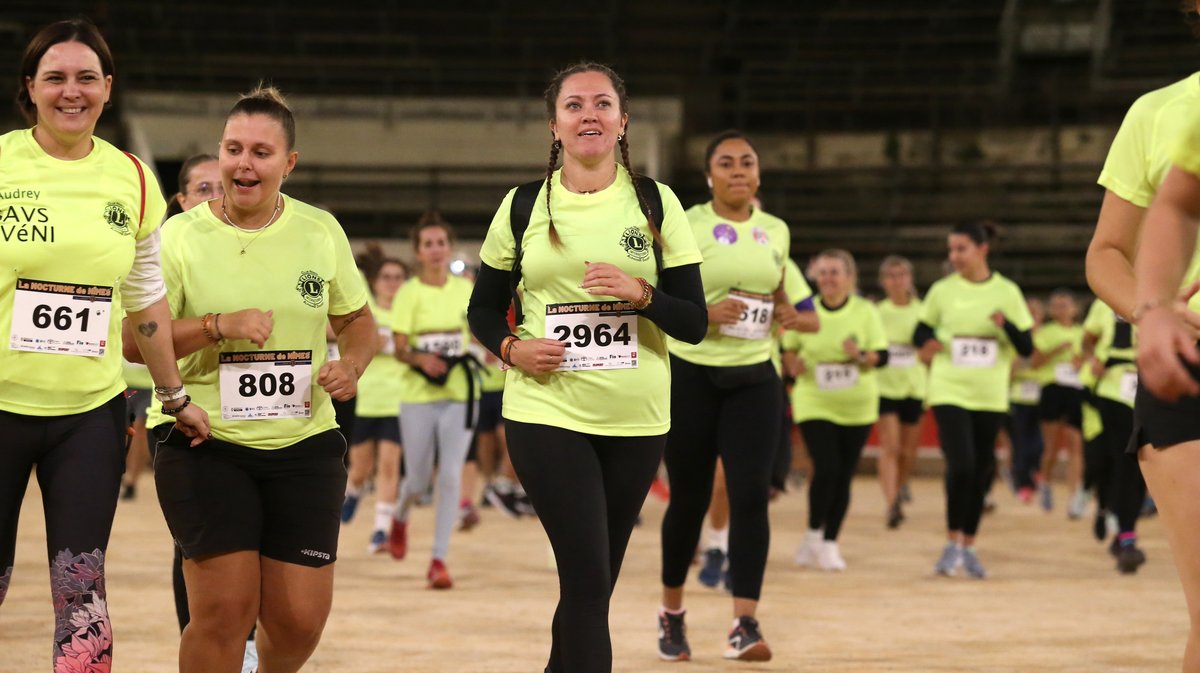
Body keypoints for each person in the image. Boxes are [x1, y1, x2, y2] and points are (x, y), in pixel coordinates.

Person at [467, 62, 706, 673]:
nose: (589, 115)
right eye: (574, 106)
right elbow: (484, 308)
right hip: (545, 410)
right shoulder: (523, 206)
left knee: (590, 588)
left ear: (623, 122)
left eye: (602, 104)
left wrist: (641, 294)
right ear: (555, 125)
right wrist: (511, 348)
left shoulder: (657, 202)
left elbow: (695, 323)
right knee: (586, 577)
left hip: (636, 419)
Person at [133, 85, 375, 673]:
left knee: (298, 624)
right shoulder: (179, 238)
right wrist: (218, 326)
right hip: (205, 440)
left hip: (305, 443)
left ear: (288, 164)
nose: (244, 163)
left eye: (261, 152)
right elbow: (133, 339)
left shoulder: (320, 231)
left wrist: (352, 365)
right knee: (223, 609)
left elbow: (357, 320)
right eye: (232, 148)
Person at [0, 18, 210, 671]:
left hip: (88, 415)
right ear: (30, 87)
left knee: (81, 589)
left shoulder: (135, 179)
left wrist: (173, 393)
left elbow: (144, 297)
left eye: (86, 77)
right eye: (56, 77)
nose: (72, 91)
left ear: (108, 88)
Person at [657, 129, 817, 663]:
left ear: (759, 174)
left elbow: (779, 295)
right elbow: (663, 298)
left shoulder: (778, 230)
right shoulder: (687, 225)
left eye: (747, 162)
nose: (738, 171)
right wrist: (707, 314)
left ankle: (743, 623)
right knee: (690, 499)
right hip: (693, 376)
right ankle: (672, 614)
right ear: (709, 176)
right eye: (725, 163)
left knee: (751, 498)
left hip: (755, 377)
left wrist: (789, 313)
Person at [914, 221, 1033, 579]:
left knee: (982, 470)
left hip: (990, 393)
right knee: (961, 465)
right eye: (951, 250)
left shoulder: (1007, 292)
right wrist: (928, 342)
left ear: (983, 249)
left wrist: (1005, 325)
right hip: (949, 387)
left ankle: (969, 544)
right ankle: (951, 544)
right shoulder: (941, 290)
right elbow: (921, 328)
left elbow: (1026, 346)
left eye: (961, 249)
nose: (954, 256)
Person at [386, 212, 479, 589]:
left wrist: (487, 350)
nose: (437, 250)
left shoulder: (465, 288)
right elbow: (399, 348)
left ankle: (438, 559)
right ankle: (401, 513)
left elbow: (477, 332)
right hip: (418, 396)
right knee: (419, 479)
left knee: (452, 475)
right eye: (429, 244)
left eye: (441, 242)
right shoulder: (409, 293)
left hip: (459, 395)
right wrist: (422, 358)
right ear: (417, 252)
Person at [785, 250, 887, 571]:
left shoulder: (866, 311)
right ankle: (815, 533)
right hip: (814, 398)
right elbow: (788, 349)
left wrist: (859, 355)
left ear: (849, 277)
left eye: (835, 272)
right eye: (824, 272)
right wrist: (792, 364)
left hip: (857, 402)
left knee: (844, 474)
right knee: (826, 466)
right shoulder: (806, 309)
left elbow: (881, 356)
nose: (829, 278)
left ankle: (829, 541)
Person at [342, 246, 407, 555]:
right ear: (376, 281)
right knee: (359, 469)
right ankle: (353, 491)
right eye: (386, 277)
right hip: (369, 400)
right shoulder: (368, 314)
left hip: (401, 400)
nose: (392, 283)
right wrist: (368, 342)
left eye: (398, 278)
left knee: (389, 466)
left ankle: (381, 530)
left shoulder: (411, 312)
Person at [1080, 297, 1148, 571]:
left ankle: (1114, 517)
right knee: (1125, 461)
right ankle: (1126, 536)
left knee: (1139, 463)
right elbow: (1087, 339)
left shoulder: (1166, 289)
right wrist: (1091, 359)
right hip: (1112, 386)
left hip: (1150, 383)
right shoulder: (1104, 300)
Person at [874, 255, 926, 528]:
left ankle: (902, 483)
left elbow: (931, 346)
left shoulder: (924, 310)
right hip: (883, 386)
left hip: (915, 387)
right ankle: (891, 503)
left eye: (901, 274)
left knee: (907, 451)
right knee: (890, 447)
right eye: (891, 275)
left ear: (910, 279)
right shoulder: (876, 312)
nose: (897, 280)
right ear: (883, 282)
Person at [1028, 289, 1087, 516]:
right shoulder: (1045, 332)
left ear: (1074, 309)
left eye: (1065, 305)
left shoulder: (1083, 333)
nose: (1061, 309)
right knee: (1051, 447)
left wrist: (1081, 361)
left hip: (1075, 388)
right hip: (1052, 388)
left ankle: (1074, 496)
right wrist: (1056, 351)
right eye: (1056, 305)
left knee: (1076, 444)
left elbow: (1089, 359)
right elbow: (1034, 363)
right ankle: (1045, 483)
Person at [1008, 296, 1046, 504]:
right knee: (1020, 443)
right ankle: (1022, 482)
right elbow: (1012, 367)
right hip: (1018, 396)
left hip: (1042, 394)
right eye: (1028, 311)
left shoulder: (1047, 335)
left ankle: (1034, 474)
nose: (1032, 315)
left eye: (1035, 311)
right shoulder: (1018, 337)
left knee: (1039, 444)